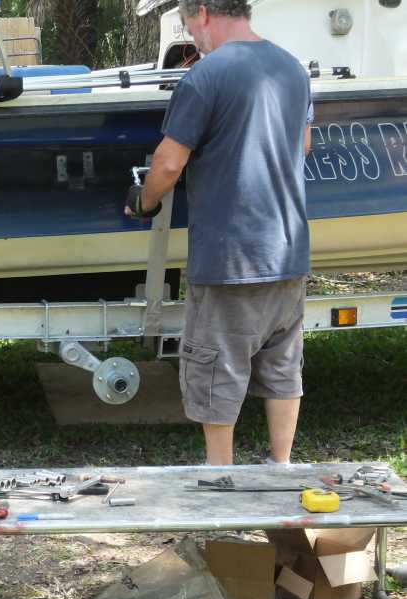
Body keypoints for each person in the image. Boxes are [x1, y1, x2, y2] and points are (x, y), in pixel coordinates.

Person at [125, 0, 314, 466]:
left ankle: (220, 476)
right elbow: (303, 144)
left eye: (190, 27)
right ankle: (281, 467)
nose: (194, 40)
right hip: (288, 251)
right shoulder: (292, 68)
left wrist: (143, 201)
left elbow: (169, 163)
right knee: (283, 368)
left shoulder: (206, 77)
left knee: (217, 369)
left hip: (231, 257)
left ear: (203, 12)